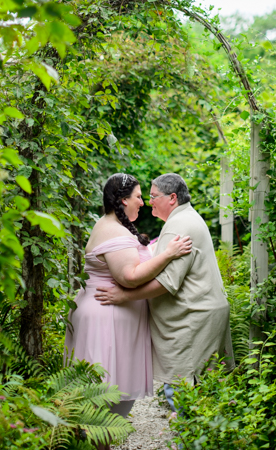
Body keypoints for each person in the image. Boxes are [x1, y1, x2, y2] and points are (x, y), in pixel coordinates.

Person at [95, 173, 234, 413]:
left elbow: (167, 282)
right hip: (202, 314)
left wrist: (124, 296)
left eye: (152, 196)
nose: (148, 202)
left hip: (193, 319)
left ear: (172, 198)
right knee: (206, 391)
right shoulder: (187, 218)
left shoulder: (179, 225)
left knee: (182, 392)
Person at [64, 173, 193, 419]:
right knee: (102, 395)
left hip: (105, 313)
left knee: (106, 396)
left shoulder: (113, 226)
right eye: (139, 196)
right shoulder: (115, 231)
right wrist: (168, 254)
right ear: (124, 200)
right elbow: (130, 276)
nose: (143, 202)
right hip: (105, 317)